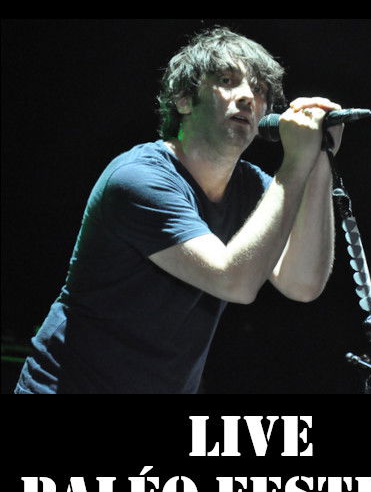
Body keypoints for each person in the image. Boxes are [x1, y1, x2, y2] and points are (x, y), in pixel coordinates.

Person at [14, 26, 343, 394]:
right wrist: (294, 165)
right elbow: (233, 280)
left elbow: (302, 283)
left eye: (260, 89)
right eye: (227, 81)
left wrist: (319, 161)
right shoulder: (138, 179)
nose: (247, 97)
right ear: (184, 99)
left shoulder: (254, 188)